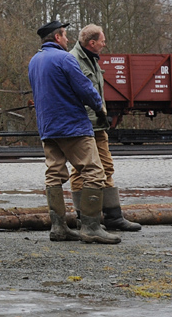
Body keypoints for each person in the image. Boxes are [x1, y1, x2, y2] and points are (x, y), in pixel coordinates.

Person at [28, 20, 120, 245]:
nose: (68, 39)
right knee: (94, 172)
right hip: (72, 126)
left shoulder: (34, 61)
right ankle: (91, 228)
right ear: (57, 37)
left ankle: (58, 227)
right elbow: (86, 89)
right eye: (65, 35)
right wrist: (100, 108)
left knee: (54, 173)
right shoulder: (65, 58)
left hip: (47, 128)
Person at [68, 24, 141, 232]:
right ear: (92, 43)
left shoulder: (91, 59)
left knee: (106, 167)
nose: (105, 44)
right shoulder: (73, 60)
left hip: (98, 125)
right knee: (81, 171)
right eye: (102, 40)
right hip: (83, 125)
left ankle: (113, 217)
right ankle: (84, 218)